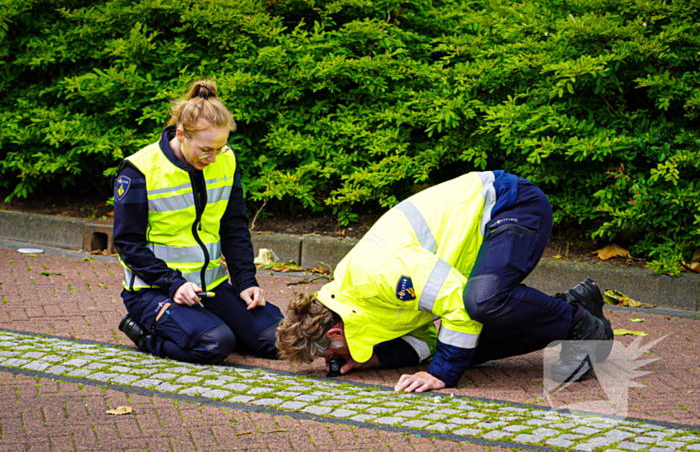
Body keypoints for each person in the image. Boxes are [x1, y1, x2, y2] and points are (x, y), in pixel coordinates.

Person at [276, 171, 613, 392]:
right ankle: (575, 303)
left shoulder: (381, 275)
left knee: (481, 302)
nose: (336, 359)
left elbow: (456, 306)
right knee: (464, 345)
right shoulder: (355, 306)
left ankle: (583, 327)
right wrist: (377, 359)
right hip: (490, 226)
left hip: (511, 203)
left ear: (335, 333)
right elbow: (429, 343)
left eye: (330, 355)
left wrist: (441, 374)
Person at [113, 80, 282, 364]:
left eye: (220, 147)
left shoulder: (225, 160)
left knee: (279, 339)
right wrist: (173, 284)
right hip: (154, 290)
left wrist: (245, 282)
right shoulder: (139, 170)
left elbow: (234, 228)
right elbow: (127, 244)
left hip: (211, 287)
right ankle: (144, 333)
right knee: (215, 344)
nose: (214, 157)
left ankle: (208, 322)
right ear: (181, 134)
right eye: (206, 149)